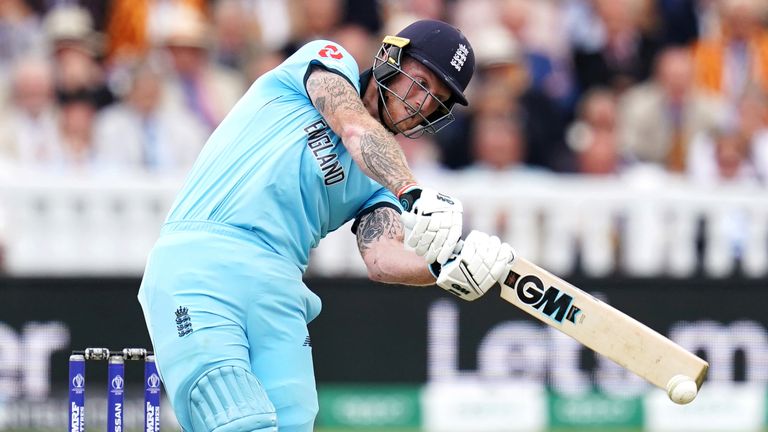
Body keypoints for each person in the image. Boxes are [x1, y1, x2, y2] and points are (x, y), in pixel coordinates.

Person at [137, 19, 514, 432]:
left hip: (280, 286)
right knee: (239, 421)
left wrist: (443, 268)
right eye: (420, 82)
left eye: (437, 100)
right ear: (390, 57)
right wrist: (411, 188)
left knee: (293, 424)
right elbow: (352, 124)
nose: (422, 104)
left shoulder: (380, 186)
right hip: (201, 262)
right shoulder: (326, 62)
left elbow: (382, 259)